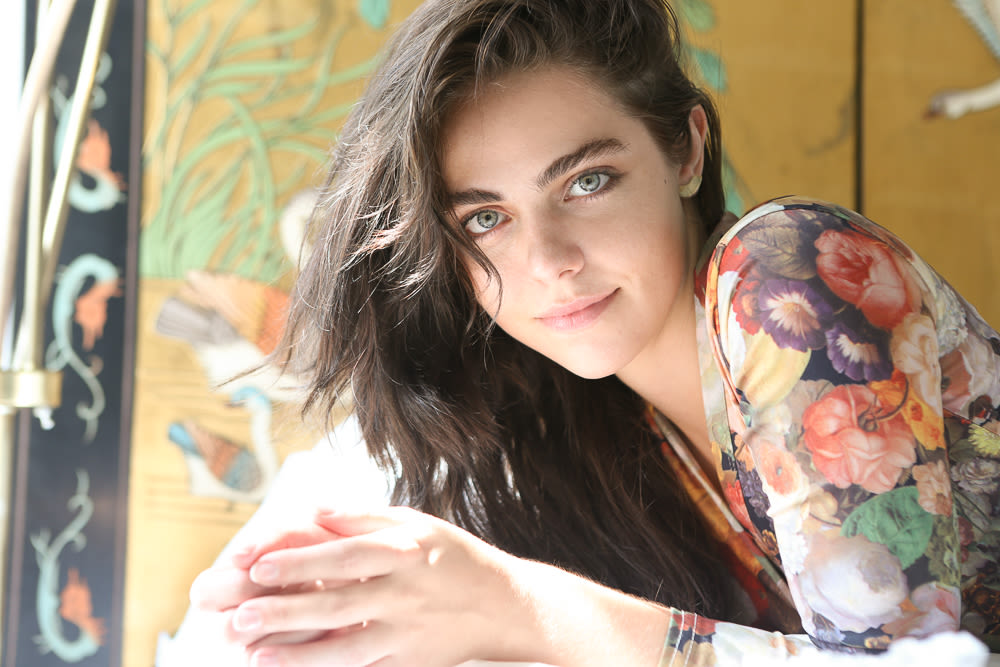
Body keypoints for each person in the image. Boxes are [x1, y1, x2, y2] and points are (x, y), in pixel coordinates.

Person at [188, 0, 1000, 664]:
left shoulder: (781, 273)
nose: (549, 261)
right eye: (486, 218)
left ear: (686, 150)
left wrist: (520, 605)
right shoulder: (598, 429)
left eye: (587, 181)